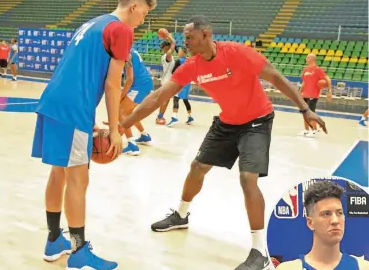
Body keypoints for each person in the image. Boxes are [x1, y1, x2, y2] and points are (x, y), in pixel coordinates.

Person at [118, 16, 327, 270]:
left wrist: (305, 109)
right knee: (197, 167)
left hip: (257, 120)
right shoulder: (193, 65)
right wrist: (125, 124)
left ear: (206, 34)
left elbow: (275, 77)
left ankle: (259, 251)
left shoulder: (238, 53)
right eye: (184, 39)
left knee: (247, 178)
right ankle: (181, 215)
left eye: (190, 38)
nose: (186, 42)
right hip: (227, 122)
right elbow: (158, 96)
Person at [31, 0, 156, 270]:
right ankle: (78, 254)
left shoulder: (92, 23)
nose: (142, 21)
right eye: (143, 15)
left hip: (53, 101)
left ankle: (54, 241)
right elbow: (113, 85)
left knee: (58, 174)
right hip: (73, 109)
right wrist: (115, 129)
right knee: (78, 179)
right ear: (134, 6)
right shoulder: (121, 30)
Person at [277, 181, 369, 270]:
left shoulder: (362, 267)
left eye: (339, 213)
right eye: (326, 214)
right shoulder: (289, 268)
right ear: (310, 223)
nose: (335, 220)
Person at [121, 49, 153, 155]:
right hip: (145, 82)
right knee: (129, 113)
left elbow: (130, 79)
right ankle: (144, 136)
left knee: (120, 112)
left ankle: (132, 145)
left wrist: (121, 97)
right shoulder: (131, 49)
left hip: (139, 85)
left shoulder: (126, 53)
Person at [299, 53, 332, 138]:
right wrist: (299, 93)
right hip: (305, 94)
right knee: (304, 113)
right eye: (306, 57)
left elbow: (327, 79)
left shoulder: (318, 69)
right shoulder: (305, 70)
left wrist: (329, 91)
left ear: (313, 59)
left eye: (308, 57)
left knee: (311, 113)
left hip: (313, 95)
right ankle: (306, 130)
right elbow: (304, 82)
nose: (306, 58)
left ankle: (314, 130)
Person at [167, 46, 194, 127]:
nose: (178, 52)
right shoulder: (189, 60)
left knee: (176, 99)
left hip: (181, 83)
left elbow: (173, 71)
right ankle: (190, 117)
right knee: (185, 100)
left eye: (179, 51)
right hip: (188, 83)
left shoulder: (178, 61)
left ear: (183, 53)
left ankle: (174, 118)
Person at [156, 38, 176, 125]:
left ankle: (161, 115)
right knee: (165, 100)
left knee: (166, 100)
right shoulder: (167, 56)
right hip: (167, 81)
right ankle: (159, 117)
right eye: (162, 47)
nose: (162, 48)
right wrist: (172, 42)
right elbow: (172, 48)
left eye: (163, 46)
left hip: (166, 80)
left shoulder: (165, 56)